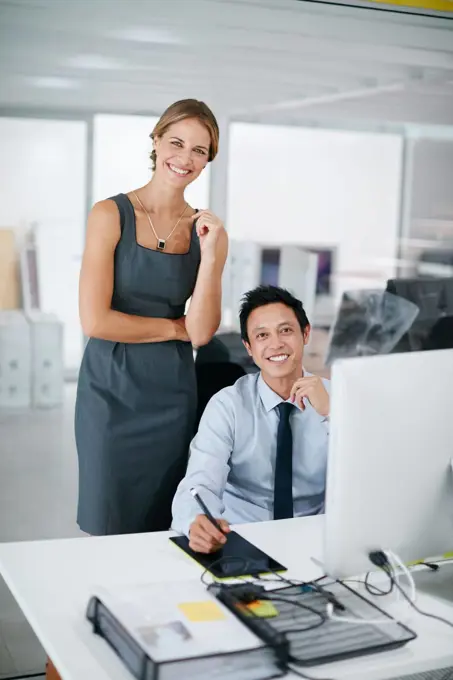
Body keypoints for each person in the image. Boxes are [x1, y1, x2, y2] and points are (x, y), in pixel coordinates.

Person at [75, 99, 228, 536]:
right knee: (108, 521)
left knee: (166, 524)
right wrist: (173, 328)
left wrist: (214, 254)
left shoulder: (208, 233)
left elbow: (199, 332)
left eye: (200, 150)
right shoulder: (110, 215)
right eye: (177, 142)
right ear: (156, 141)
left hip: (171, 394)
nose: (185, 158)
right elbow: (96, 322)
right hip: (110, 392)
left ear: (207, 160)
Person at [172, 285, 330, 553]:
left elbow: (371, 475)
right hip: (242, 536)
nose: (276, 344)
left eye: (286, 330)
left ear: (305, 334)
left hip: (317, 536)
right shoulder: (228, 405)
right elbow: (201, 481)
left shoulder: (336, 399)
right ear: (249, 347)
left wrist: (332, 414)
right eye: (262, 335)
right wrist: (196, 522)